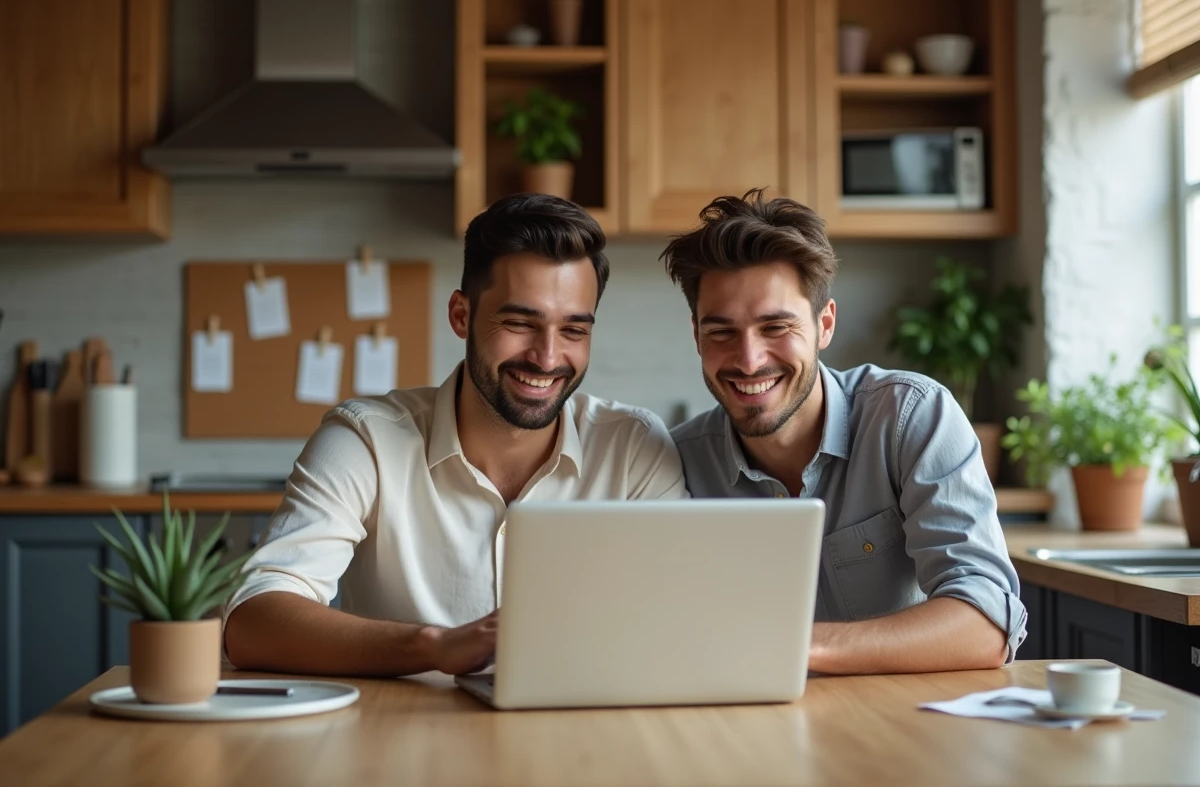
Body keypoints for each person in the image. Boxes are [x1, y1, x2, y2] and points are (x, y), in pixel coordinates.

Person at [224, 193, 687, 678]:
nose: (547, 357)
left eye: (573, 330)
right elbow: (250, 623)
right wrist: (432, 647)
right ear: (461, 315)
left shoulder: (634, 449)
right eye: (519, 323)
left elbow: (681, 624)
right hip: (398, 738)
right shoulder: (366, 441)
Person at [663, 189, 1025, 675]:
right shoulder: (676, 464)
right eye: (721, 332)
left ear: (824, 325)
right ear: (696, 336)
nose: (749, 360)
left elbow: (985, 625)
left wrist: (795, 647)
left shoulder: (910, 418)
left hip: (905, 731)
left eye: (776, 327)